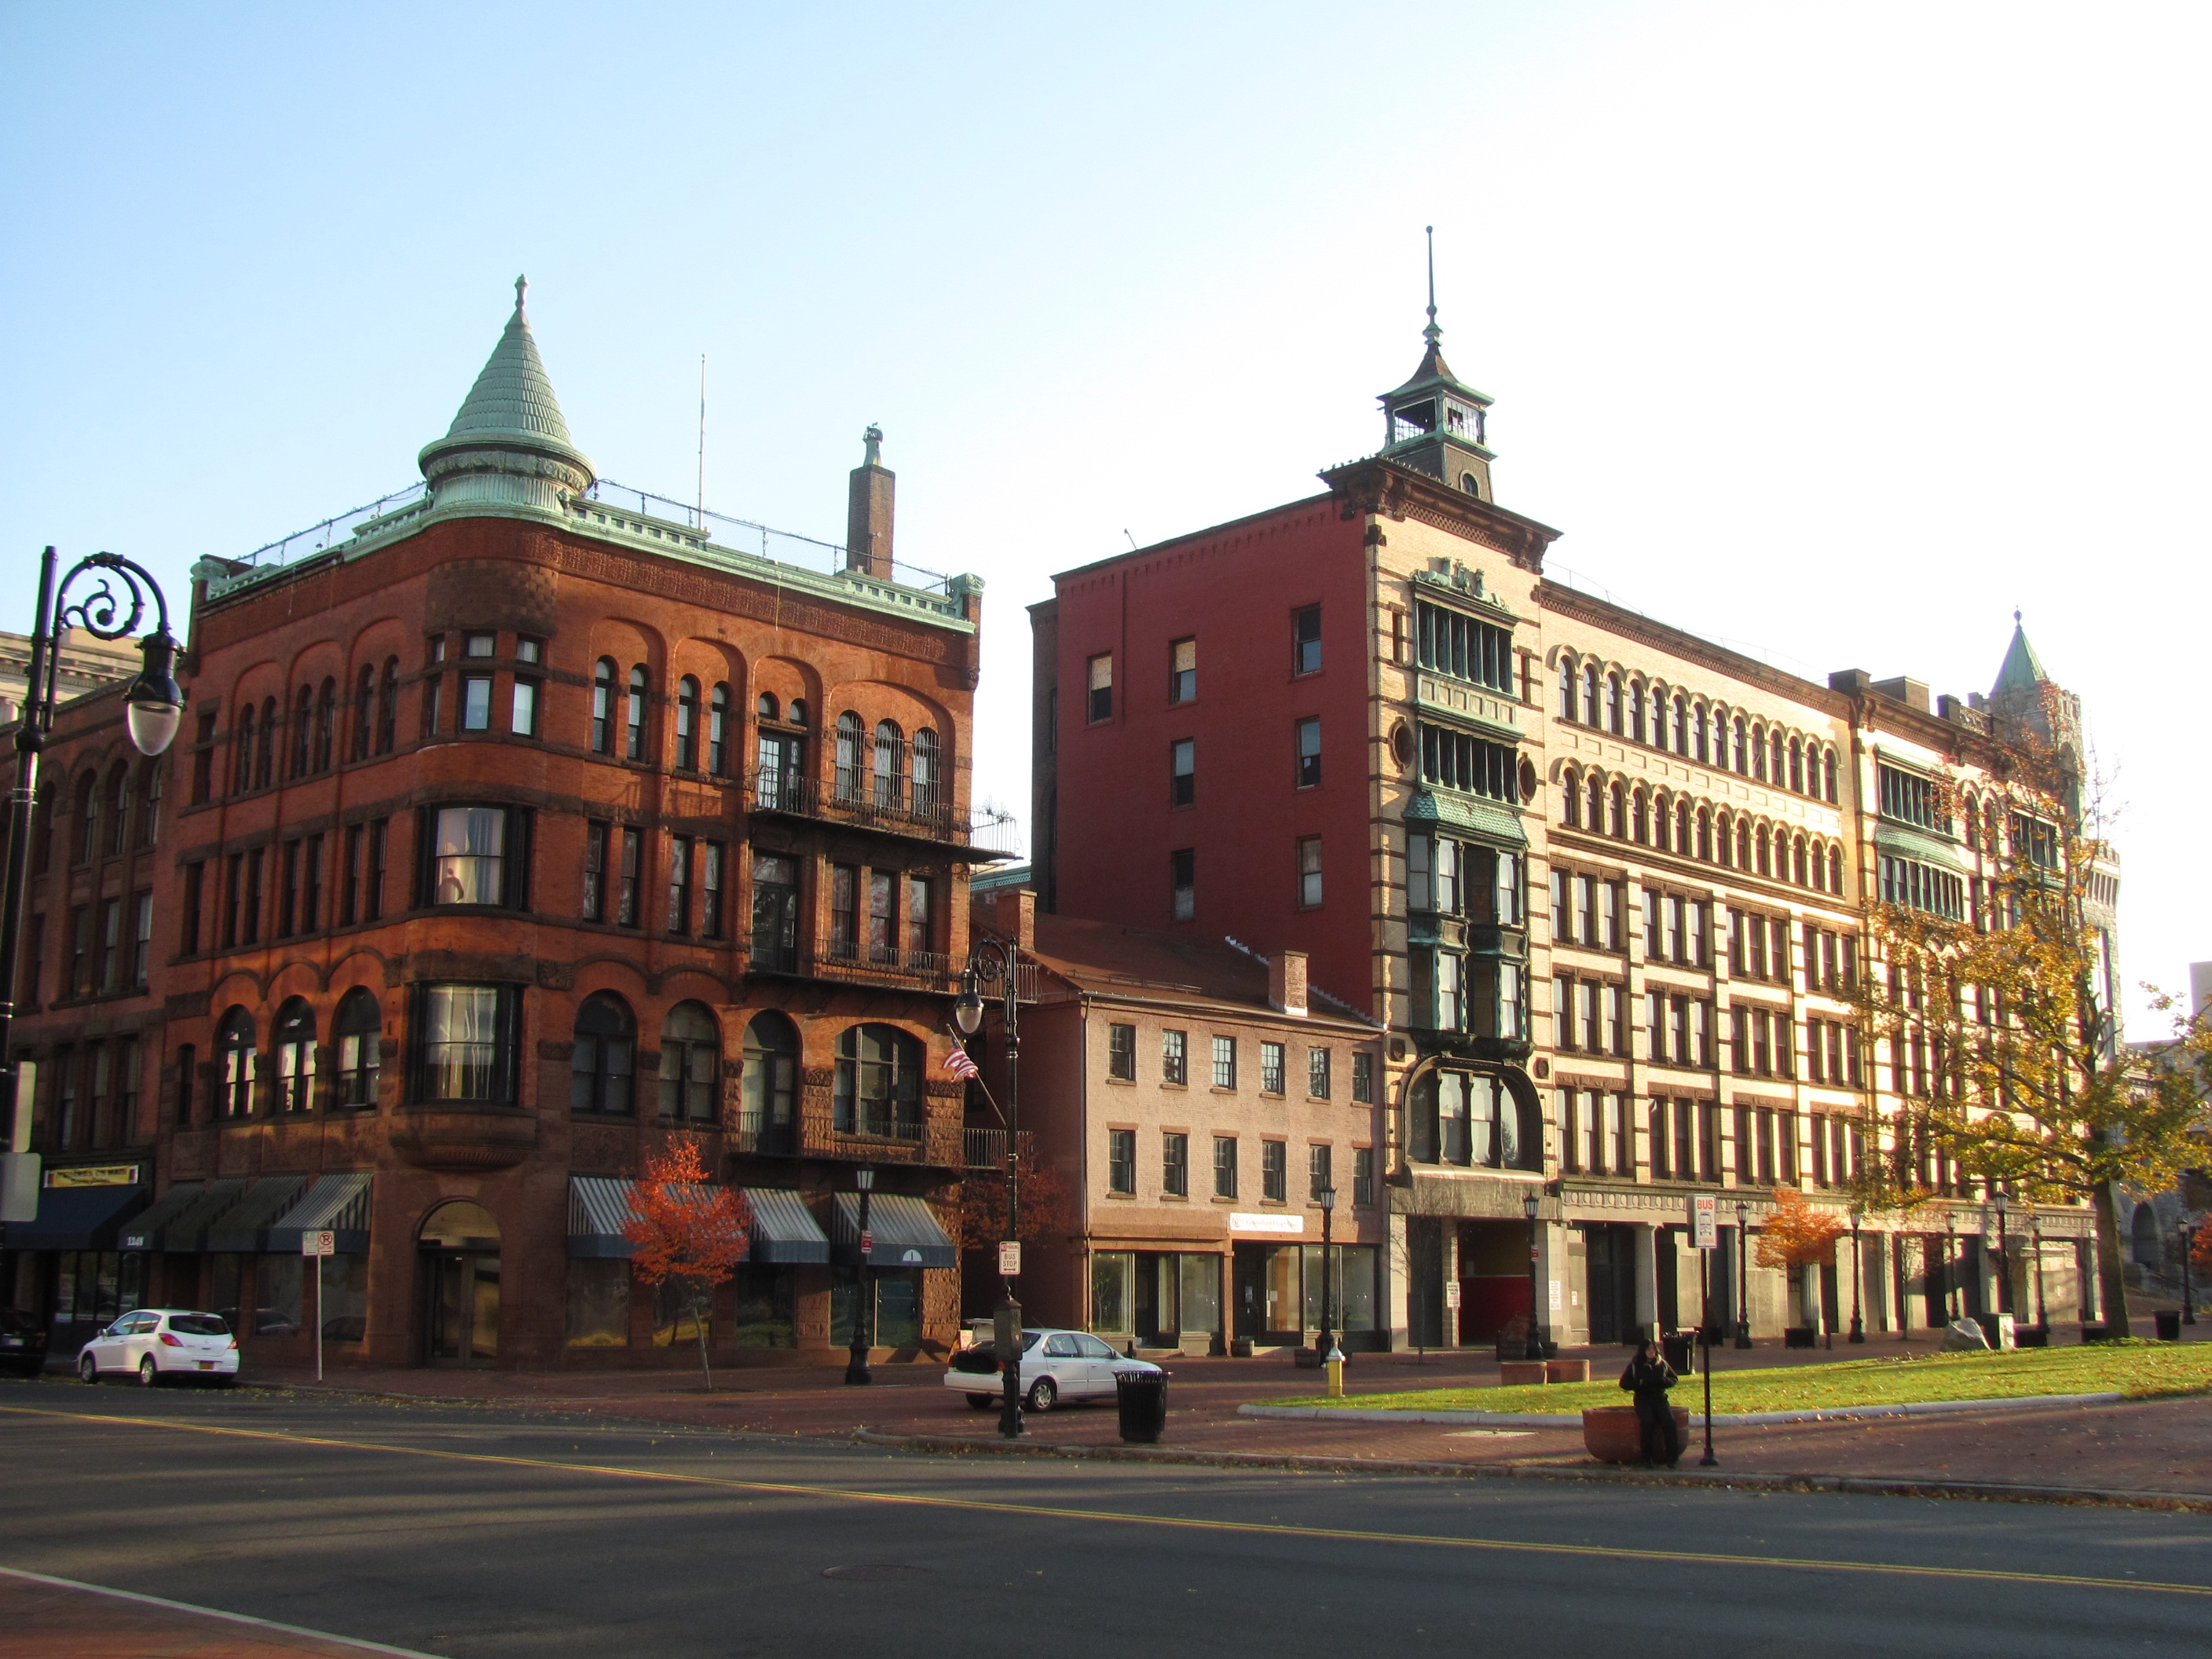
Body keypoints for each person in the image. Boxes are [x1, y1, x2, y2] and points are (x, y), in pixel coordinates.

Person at [1619, 1338, 1680, 1467]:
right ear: (1643, 1351)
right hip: (1643, 1398)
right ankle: (1647, 1458)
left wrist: (1663, 1382)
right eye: (1649, 1349)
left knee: (1669, 1422)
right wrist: (1639, 1383)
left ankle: (1672, 1458)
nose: (1652, 1352)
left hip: (1659, 1397)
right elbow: (1624, 1383)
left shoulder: (1662, 1364)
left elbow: (1674, 1378)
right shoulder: (1635, 1365)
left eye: (1654, 1349)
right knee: (1647, 1423)